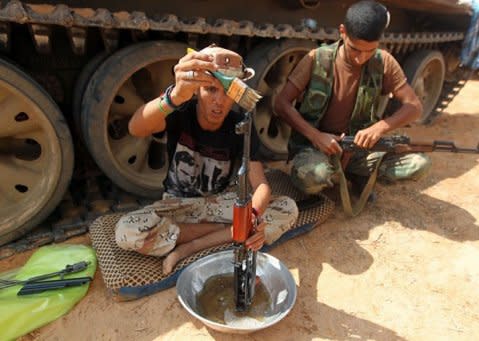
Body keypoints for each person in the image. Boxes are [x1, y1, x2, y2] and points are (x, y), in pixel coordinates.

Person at [115, 45, 298, 274]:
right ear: (196, 90)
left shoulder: (241, 124)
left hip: (219, 203)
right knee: (126, 231)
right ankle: (228, 233)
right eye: (211, 90)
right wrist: (173, 97)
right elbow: (135, 128)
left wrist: (251, 218)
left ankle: (190, 246)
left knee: (287, 207)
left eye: (227, 92)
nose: (219, 102)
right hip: (179, 205)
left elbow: (260, 185)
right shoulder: (180, 111)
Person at [274, 0, 431, 206]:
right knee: (312, 177)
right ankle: (330, 176)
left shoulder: (384, 61)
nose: (361, 59)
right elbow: (281, 103)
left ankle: (357, 175)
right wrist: (315, 135)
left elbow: (414, 107)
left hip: (361, 150)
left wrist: (380, 128)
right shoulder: (317, 59)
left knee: (419, 164)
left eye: (370, 51)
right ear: (342, 32)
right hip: (317, 147)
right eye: (355, 49)